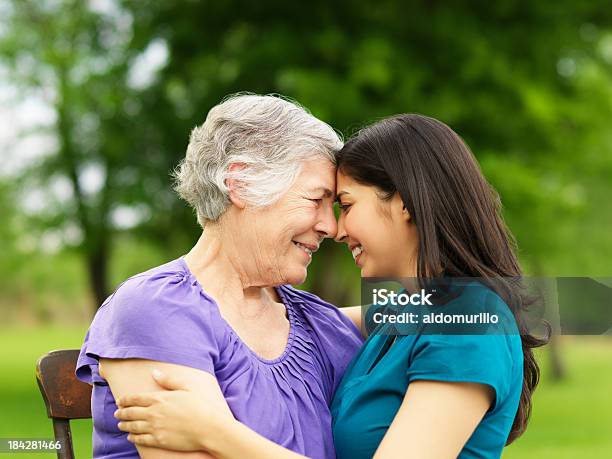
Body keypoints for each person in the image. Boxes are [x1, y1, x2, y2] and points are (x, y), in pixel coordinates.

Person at [114, 114, 547, 458]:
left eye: (344, 204)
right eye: (317, 201)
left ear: (406, 205)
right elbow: (269, 329)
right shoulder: (417, 312)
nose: (334, 229)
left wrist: (215, 431)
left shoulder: (467, 319)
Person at [75, 93, 364, 459]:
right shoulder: (154, 309)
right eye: (316, 200)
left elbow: (451, 304)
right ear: (240, 184)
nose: (331, 226)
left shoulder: (312, 320)